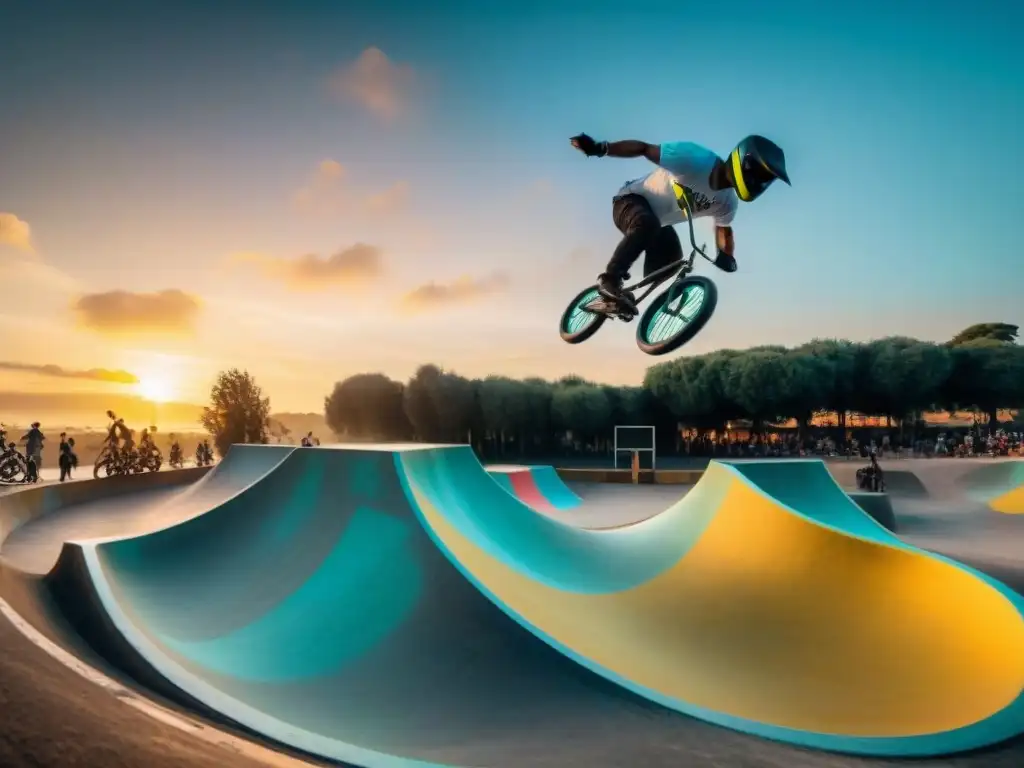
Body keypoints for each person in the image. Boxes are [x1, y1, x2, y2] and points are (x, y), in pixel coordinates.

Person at [569, 132, 790, 301]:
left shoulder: (727, 202)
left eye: (765, 180)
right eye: (760, 175)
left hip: (659, 226)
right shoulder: (696, 158)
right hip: (629, 201)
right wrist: (601, 148)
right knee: (648, 224)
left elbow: (723, 228)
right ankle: (610, 279)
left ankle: (627, 301)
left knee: (673, 265)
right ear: (744, 161)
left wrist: (726, 255)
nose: (759, 183)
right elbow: (644, 149)